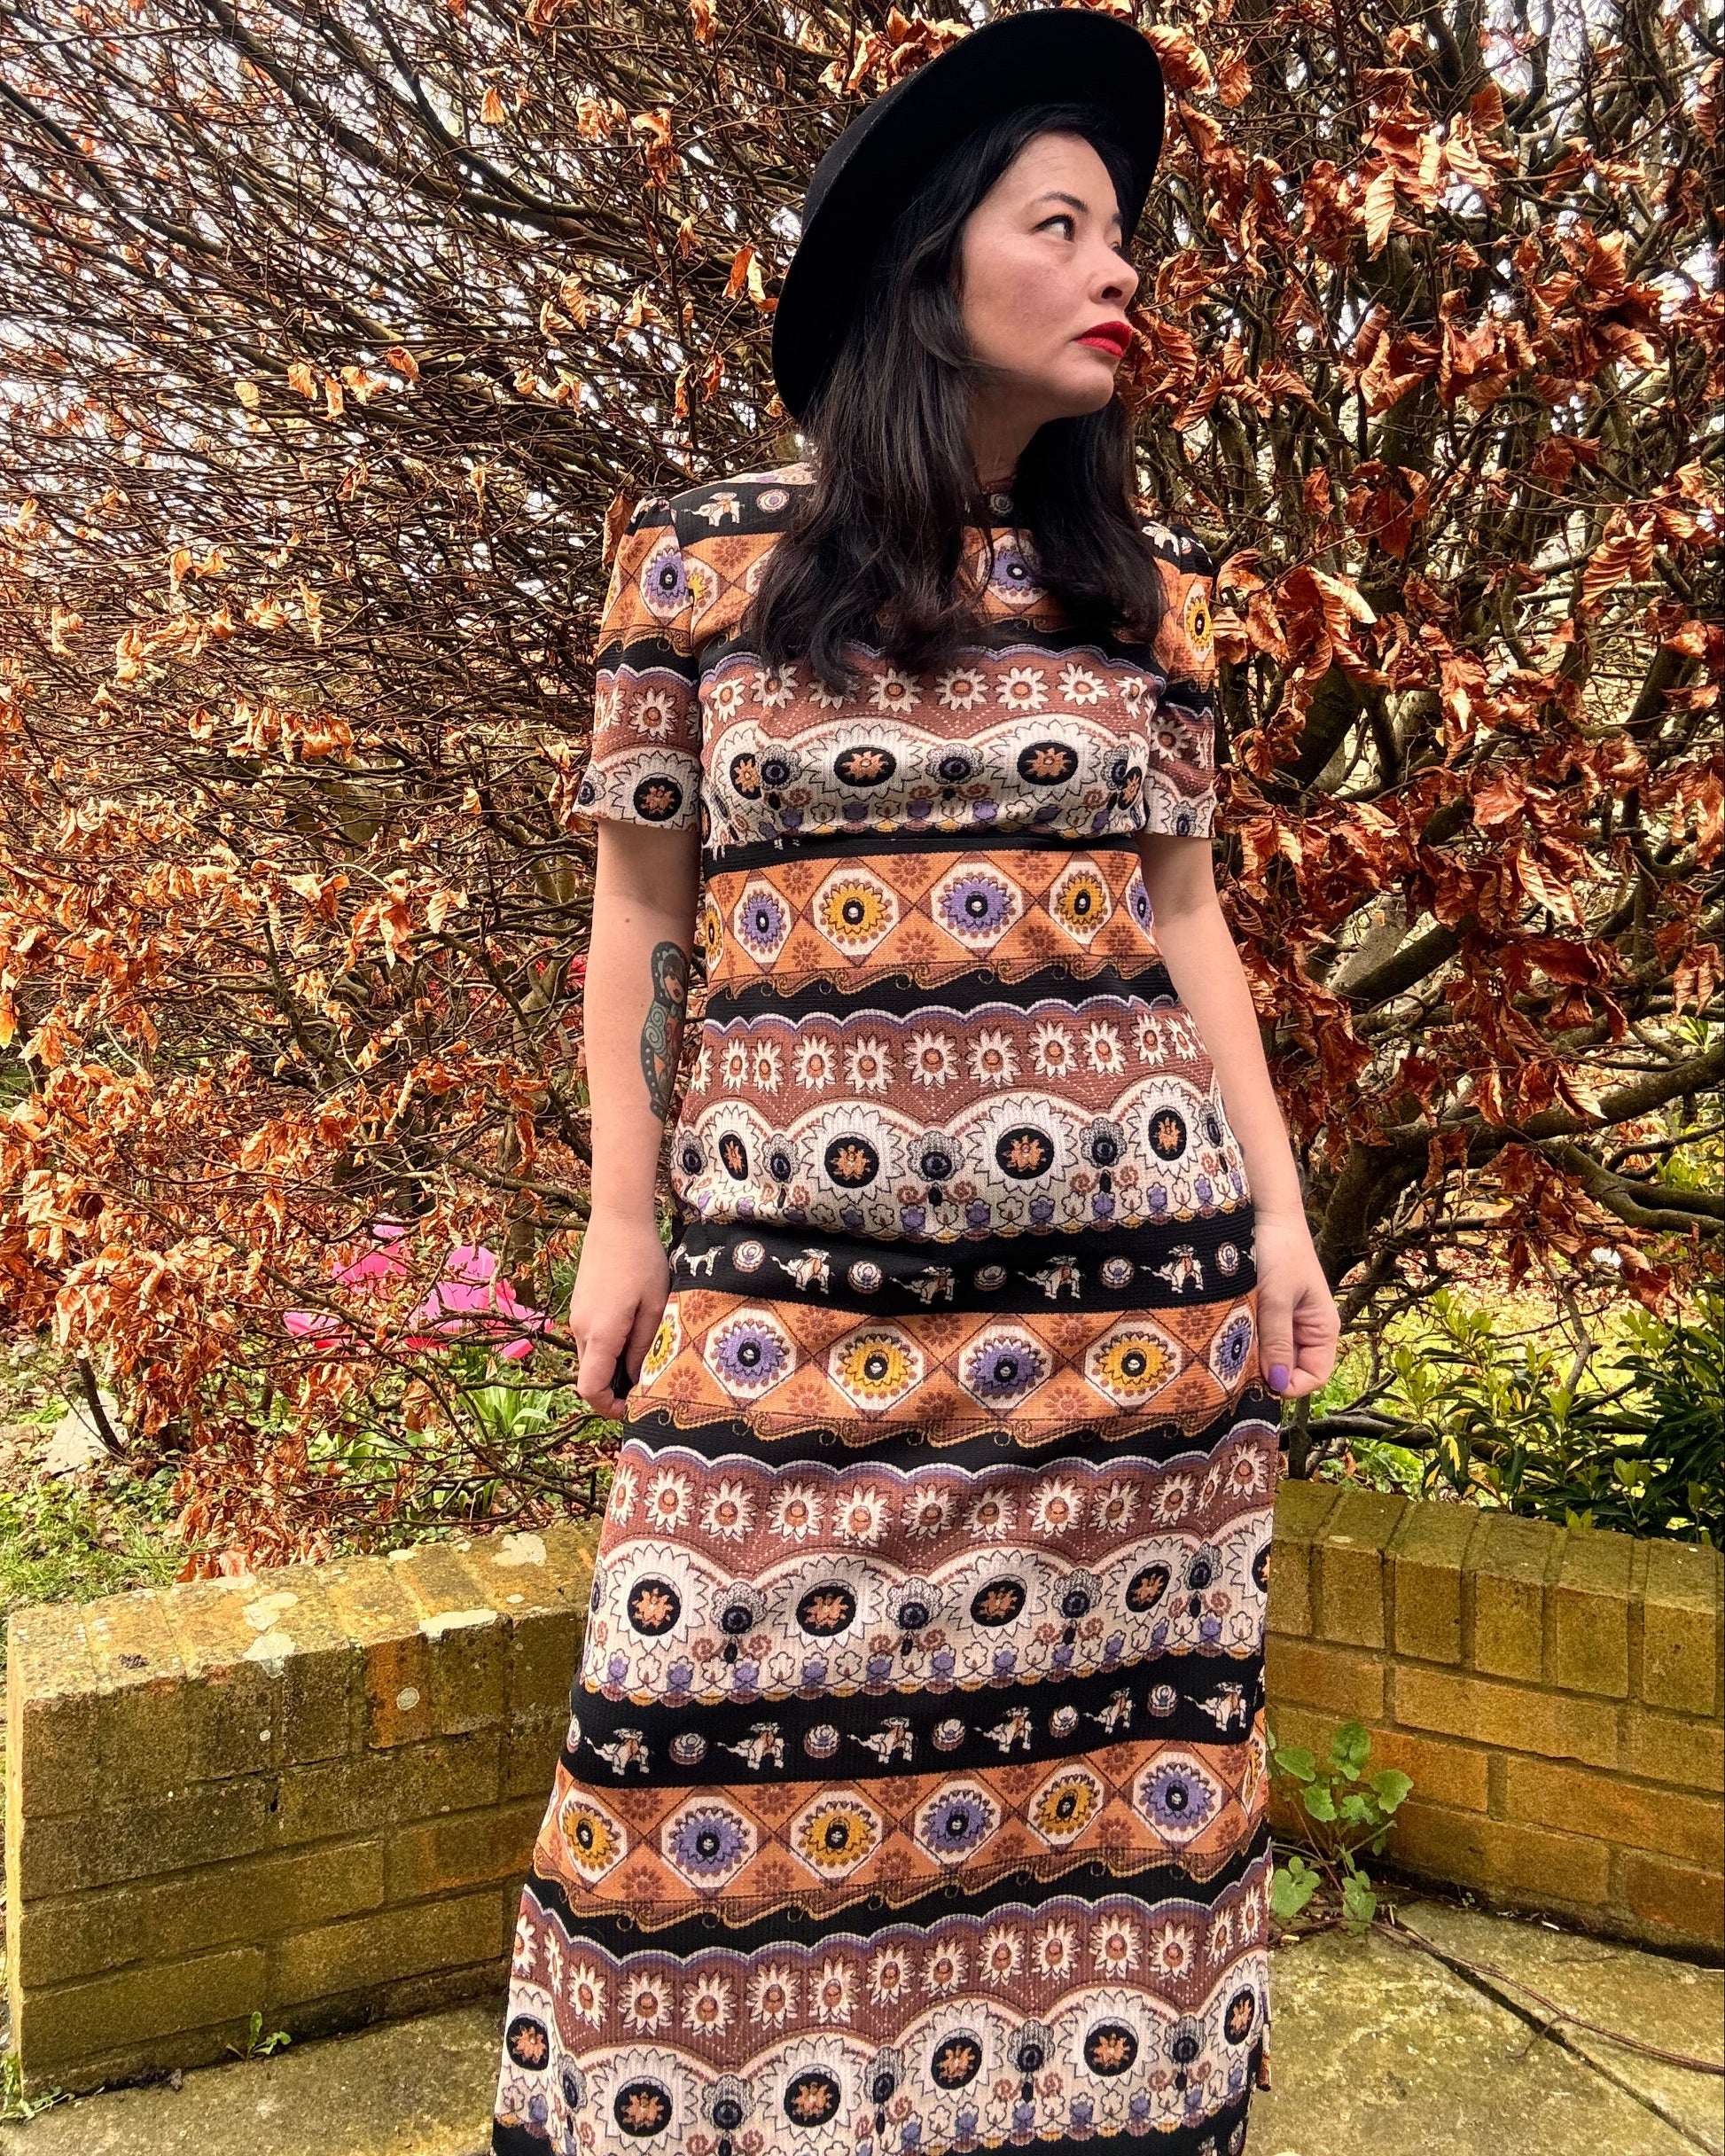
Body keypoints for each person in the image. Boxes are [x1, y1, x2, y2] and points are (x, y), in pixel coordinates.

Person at [492, 12, 1339, 2153]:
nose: (1114, 266)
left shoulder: (1143, 598)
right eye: (1060, 225)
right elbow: (635, 924)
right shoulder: (702, 565)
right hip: (791, 1314)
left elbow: (1190, 922)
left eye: (1121, 231)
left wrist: (1280, 1213)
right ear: (922, 264)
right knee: (683, 1763)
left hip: (1125, 1342)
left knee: (1100, 1828)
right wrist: (621, 1230)